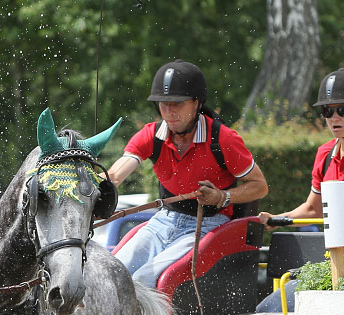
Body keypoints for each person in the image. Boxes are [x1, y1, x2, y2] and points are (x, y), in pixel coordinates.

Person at [107, 60, 268, 287]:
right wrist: (101, 188)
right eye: (164, 104)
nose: (169, 112)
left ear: (196, 103)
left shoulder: (224, 139)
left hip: (211, 224)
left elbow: (260, 186)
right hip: (164, 220)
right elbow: (116, 174)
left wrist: (223, 197)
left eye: (178, 104)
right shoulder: (149, 136)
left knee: (146, 279)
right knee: (112, 273)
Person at [256, 68, 344, 312]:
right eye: (327, 111)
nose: (334, 118)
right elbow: (312, 208)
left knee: (287, 305)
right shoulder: (324, 155)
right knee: (268, 309)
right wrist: (276, 220)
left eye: (342, 110)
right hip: (333, 258)